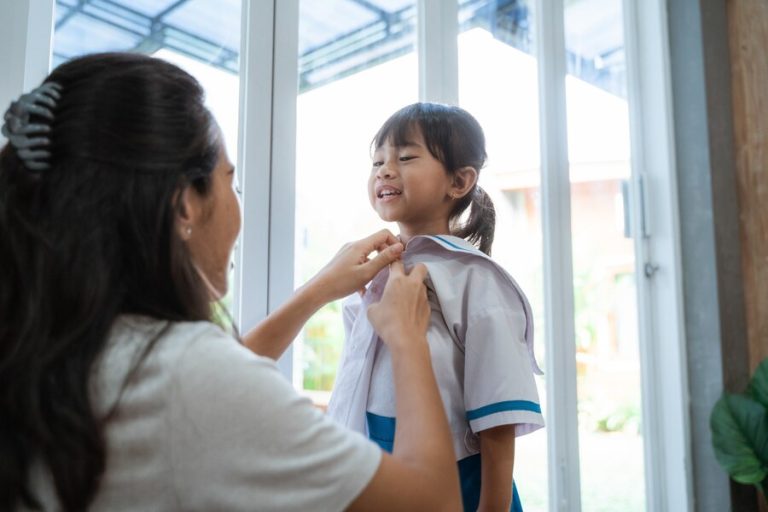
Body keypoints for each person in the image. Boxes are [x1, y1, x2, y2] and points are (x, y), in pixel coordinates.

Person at [0, 53, 463, 511]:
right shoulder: (185, 376)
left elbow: (218, 374)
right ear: (185, 205)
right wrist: (406, 339)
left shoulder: (49, 343)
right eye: (231, 182)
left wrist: (319, 288)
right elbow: (432, 503)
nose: (386, 170)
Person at [326, 102, 545, 512]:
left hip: (460, 479)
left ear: (459, 181)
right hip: (381, 467)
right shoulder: (373, 272)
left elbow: (499, 411)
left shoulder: (474, 278)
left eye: (406, 157)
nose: (385, 170)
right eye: (377, 161)